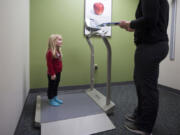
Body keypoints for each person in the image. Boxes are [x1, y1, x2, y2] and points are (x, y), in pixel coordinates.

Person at [119, 0, 169, 134]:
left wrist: (130, 23)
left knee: (147, 87)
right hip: (152, 45)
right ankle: (140, 115)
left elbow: (150, 19)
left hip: (152, 46)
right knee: (141, 83)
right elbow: (151, 21)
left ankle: (144, 126)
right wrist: (133, 27)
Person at [46, 34, 63, 106]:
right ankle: (51, 99)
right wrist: (52, 74)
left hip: (58, 72)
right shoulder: (50, 52)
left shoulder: (58, 51)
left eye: (61, 39)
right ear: (53, 41)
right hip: (52, 74)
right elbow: (49, 65)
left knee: (56, 86)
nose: (61, 41)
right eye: (59, 39)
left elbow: (58, 62)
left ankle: (55, 97)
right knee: (51, 86)